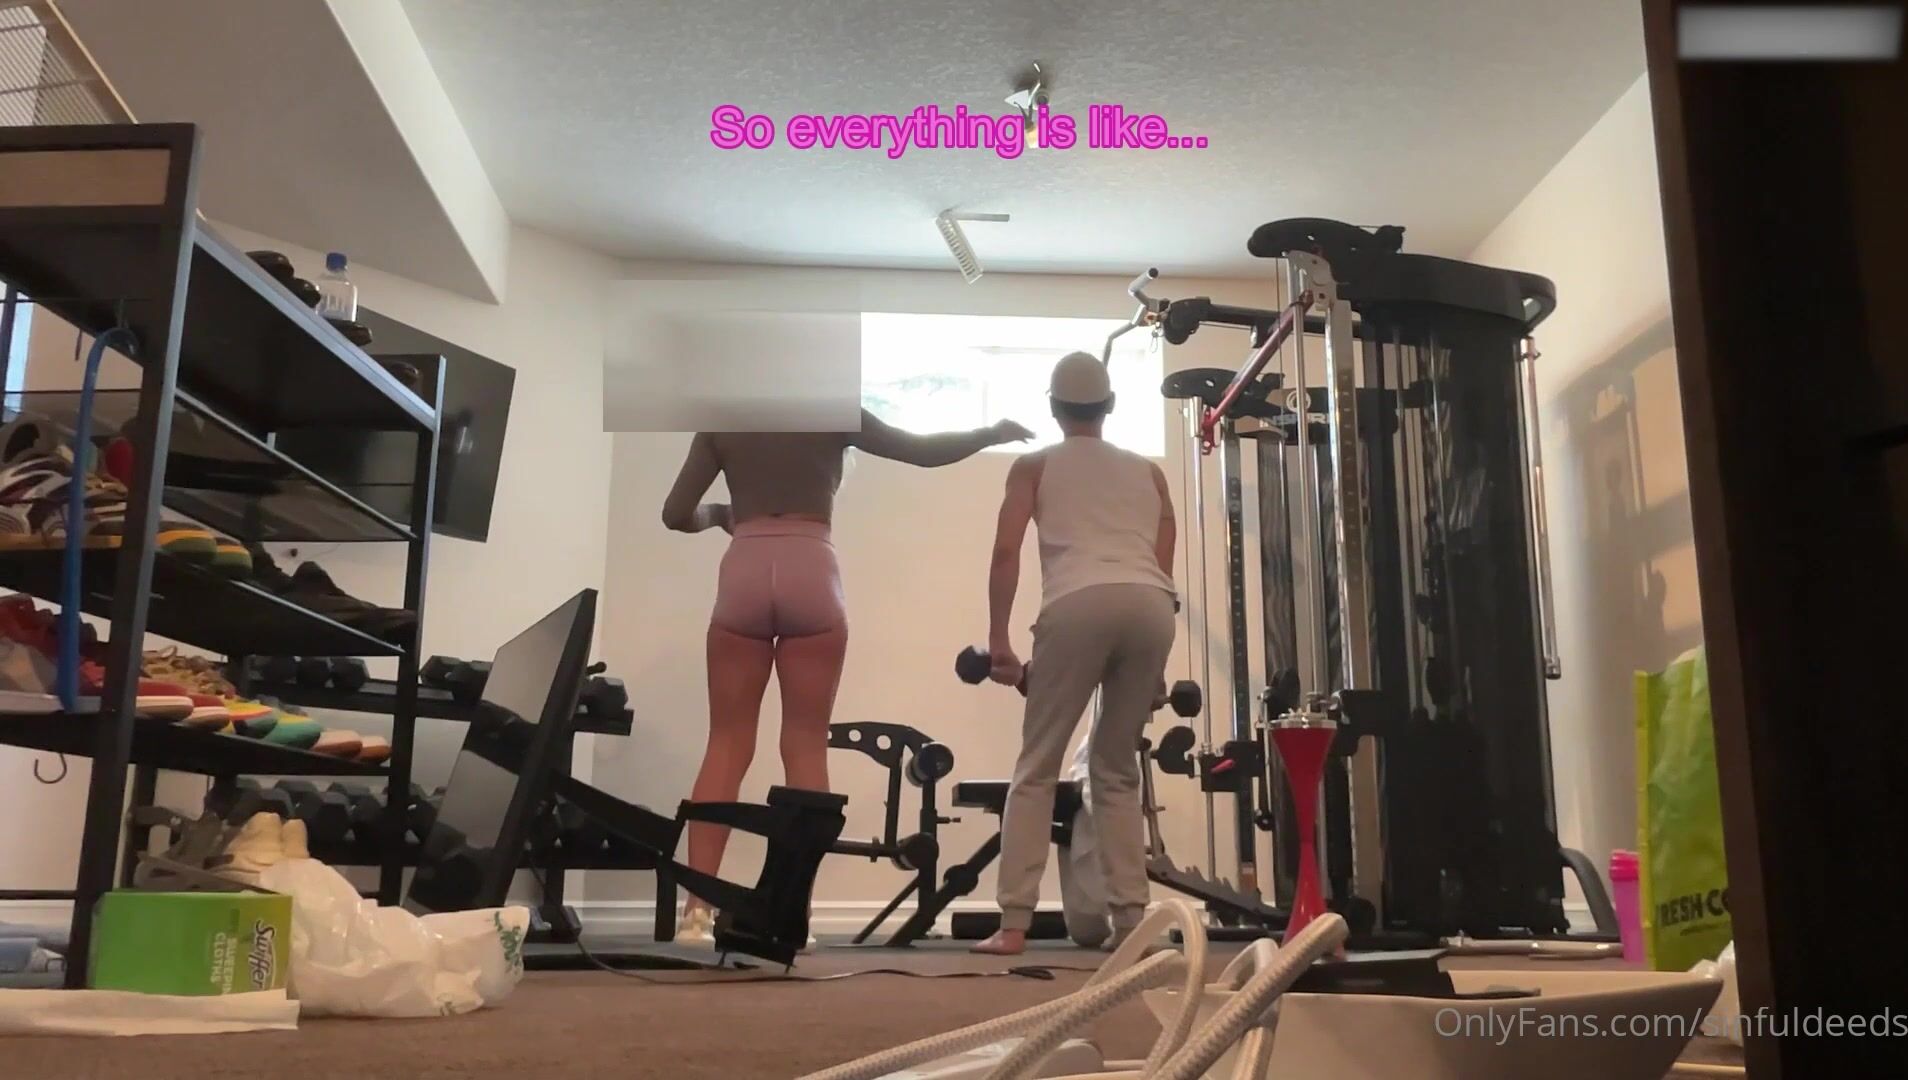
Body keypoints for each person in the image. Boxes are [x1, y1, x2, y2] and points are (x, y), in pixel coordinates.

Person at [661, 410, 1033, 942]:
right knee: (805, 746)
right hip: (812, 570)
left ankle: (697, 912)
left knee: (726, 743)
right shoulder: (832, 408)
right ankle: (794, 916)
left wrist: (721, 513)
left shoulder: (724, 419)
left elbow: (675, 514)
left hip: (744, 566)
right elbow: (921, 450)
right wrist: (989, 434)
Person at [974, 351, 1178, 955]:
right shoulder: (1149, 473)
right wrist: (1158, 668)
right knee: (1117, 769)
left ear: (1053, 408)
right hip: (1149, 608)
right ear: (1109, 405)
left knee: (1037, 766)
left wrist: (999, 641)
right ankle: (1131, 923)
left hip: (1076, 603)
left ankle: (1014, 924)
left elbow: (1005, 552)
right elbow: (1161, 569)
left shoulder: (1033, 465)